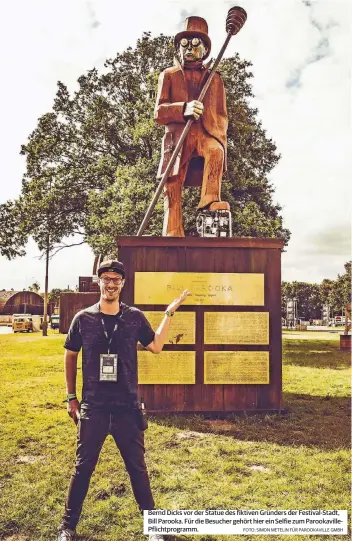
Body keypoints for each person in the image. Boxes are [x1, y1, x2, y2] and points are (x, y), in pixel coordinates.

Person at [57, 259, 190, 541]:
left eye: (116, 279)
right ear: (98, 282)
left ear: (123, 284)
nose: (111, 284)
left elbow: (155, 346)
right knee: (83, 468)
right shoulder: (83, 318)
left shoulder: (134, 317)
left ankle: (153, 529)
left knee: (137, 468)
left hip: (128, 407)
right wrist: (71, 396)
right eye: (106, 278)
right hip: (94, 407)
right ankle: (67, 528)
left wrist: (169, 313)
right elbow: (70, 354)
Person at [155, 15, 229, 237]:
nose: (189, 49)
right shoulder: (168, 75)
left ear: (205, 49)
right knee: (173, 183)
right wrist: (183, 108)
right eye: (184, 44)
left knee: (216, 151)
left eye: (195, 44)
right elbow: (158, 112)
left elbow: (222, 113)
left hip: (205, 133)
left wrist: (216, 132)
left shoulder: (214, 78)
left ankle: (209, 200)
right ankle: (173, 229)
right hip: (178, 137)